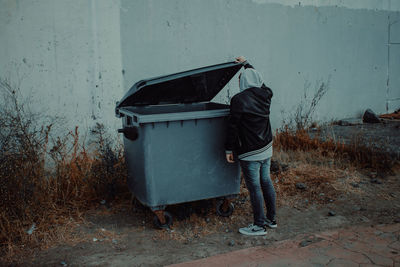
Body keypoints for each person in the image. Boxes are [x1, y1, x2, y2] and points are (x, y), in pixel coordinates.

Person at [225, 56, 277, 236]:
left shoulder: (239, 100)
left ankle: (259, 226)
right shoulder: (267, 94)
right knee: (266, 182)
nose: (239, 81)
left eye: (241, 78)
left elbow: (232, 127)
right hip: (267, 147)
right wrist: (246, 64)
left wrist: (228, 149)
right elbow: (259, 81)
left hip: (250, 152)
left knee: (254, 187)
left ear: (245, 81)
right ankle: (272, 220)